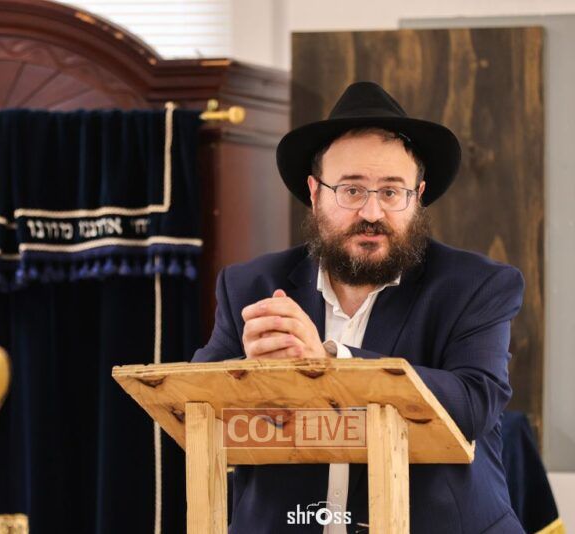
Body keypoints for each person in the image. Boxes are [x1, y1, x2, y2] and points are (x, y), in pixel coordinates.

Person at [192, 81, 525, 533]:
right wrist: (250, 374)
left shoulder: (477, 286)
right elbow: (193, 405)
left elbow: (473, 403)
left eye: (391, 192)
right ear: (315, 193)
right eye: (351, 190)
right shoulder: (251, 285)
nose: (372, 213)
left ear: (417, 196)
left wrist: (331, 361)